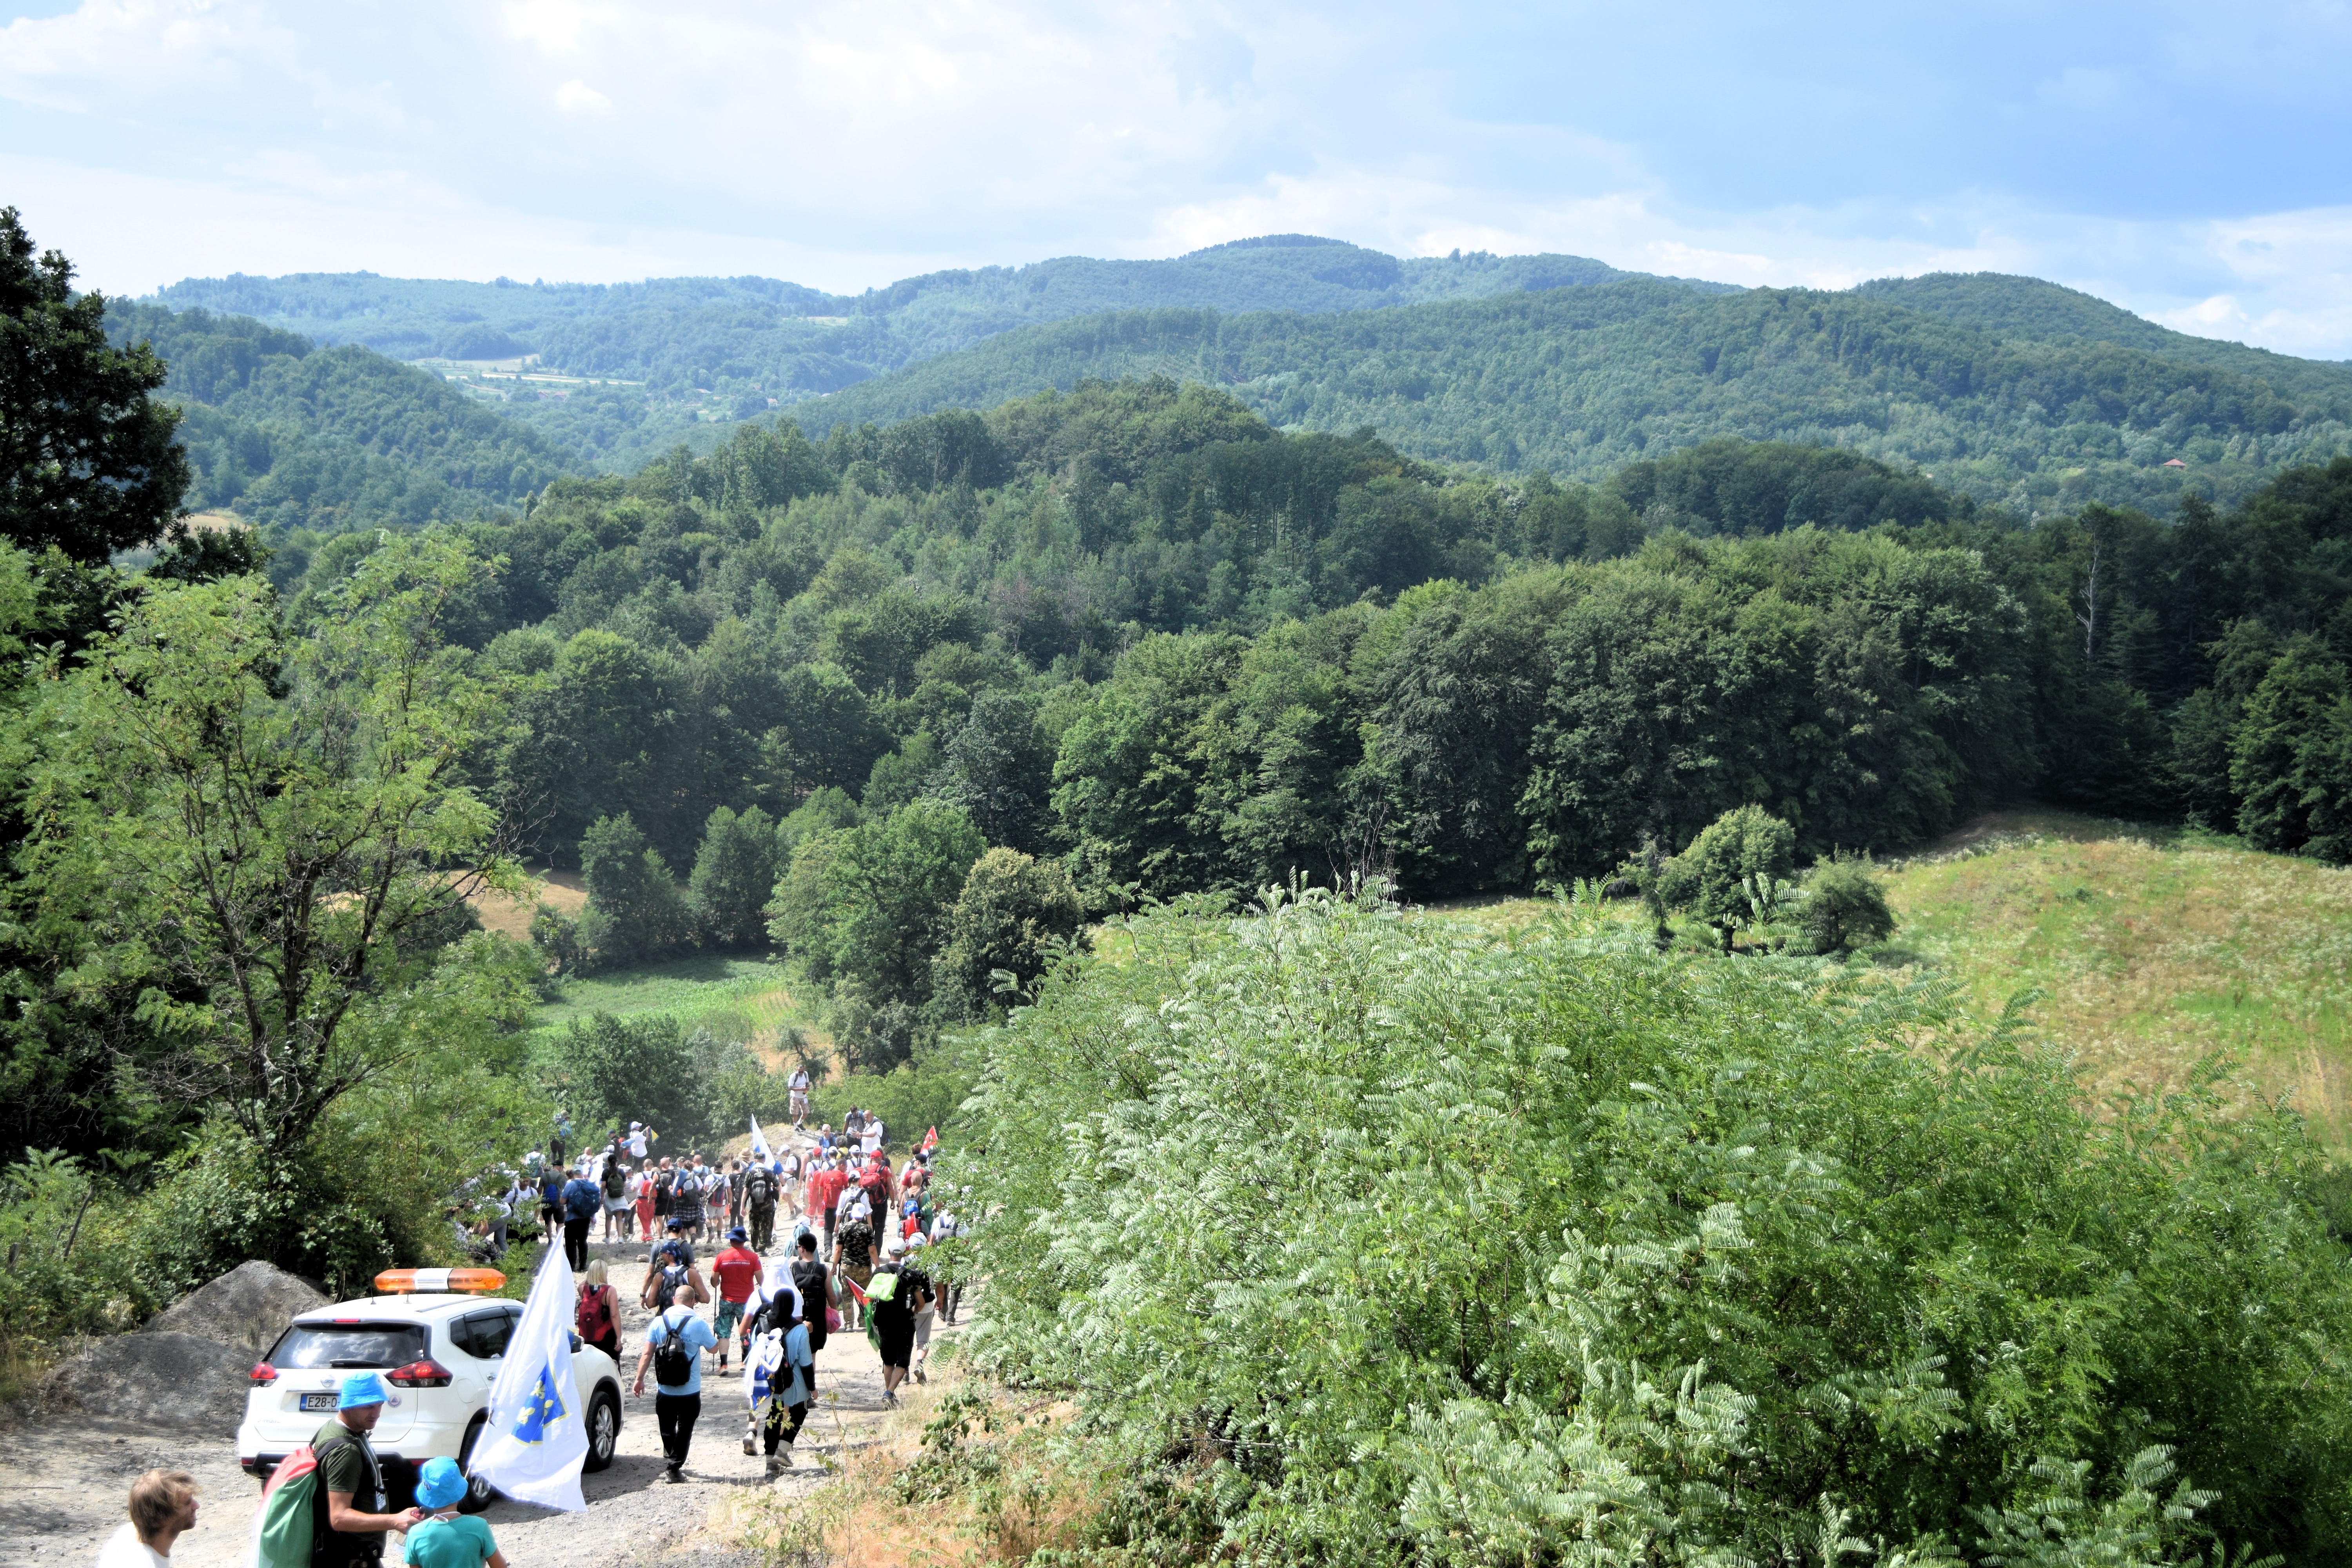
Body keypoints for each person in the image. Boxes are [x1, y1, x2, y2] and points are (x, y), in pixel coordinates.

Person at [314, 1372, 425, 1567]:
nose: (376, 1413)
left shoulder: (345, 1428)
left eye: (379, 1405)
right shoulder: (345, 1450)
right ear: (348, 1405)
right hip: (350, 1559)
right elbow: (339, 1518)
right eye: (368, 1407)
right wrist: (394, 1521)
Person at [634, 1281, 717, 1484]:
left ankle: (672, 1459)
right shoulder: (698, 1323)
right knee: (685, 1429)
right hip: (690, 1389)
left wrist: (639, 1379)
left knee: (667, 1427)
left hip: (665, 1388)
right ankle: (674, 1467)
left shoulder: (659, 1322)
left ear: (674, 1300)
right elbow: (714, 1349)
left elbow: (647, 1353)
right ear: (694, 1301)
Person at [739, 1285, 813, 1477]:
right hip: (793, 1380)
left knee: (772, 1418)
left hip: (767, 1379)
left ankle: (769, 1464)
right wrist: (812, 1388)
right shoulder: (800, 1329)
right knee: (800, 1409)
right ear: (792, 1306)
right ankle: (783, 1449)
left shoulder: (761, 1324)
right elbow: (806, 1364)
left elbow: (754, 1349)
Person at [400, 1459, 505, 1568]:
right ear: (460, 1490)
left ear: (427, 1495)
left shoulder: (415, 1533)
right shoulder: (480, 1527)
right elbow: (500, 1566)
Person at [866, 1234, 932, 1405]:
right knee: (902, 1363)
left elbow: (871, 1298)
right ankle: (889, 1393)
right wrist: (913, 1312)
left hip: (884, 1323)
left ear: (889, 1252)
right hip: (904, 1323)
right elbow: (921, 1302)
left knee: (888, 1361)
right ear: (904, 1253)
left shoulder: (879, 1272)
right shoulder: (910, 1275)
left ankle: (889, 1394)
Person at [98, 1469, 198, 1568]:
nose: (197, 1506)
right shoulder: (144, 1564)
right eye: (187, 1503)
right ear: (162, 1517)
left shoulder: (128, 1533)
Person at [710, 1226, 761, 1373]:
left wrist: (718, 1281)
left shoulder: (721, 1257)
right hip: (747, 1302)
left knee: (723, 1332)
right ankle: (744, 1362)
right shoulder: (753, 1258)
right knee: (746, 1331)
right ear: (744, 1241)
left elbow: (714, 1282)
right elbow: (761, 1280)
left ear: (732, 1240)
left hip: (727, 1300)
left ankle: (724, 1365)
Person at [831, 1196, 875, 1330]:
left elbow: (838, 1250)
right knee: (865, 1294)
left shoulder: (844, 1228)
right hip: (864, 1268)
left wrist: (834, 1267)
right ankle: (863, 1320)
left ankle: (849, 1324)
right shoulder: (867, 1230)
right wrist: (878, 1266)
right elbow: (872, 1251)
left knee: (847, 1295)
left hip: (847, 1267)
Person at [789, 1229, 832, 1359]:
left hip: (798, 1316)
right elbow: (831, 1296)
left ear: (802, 1249)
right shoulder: (824, 1269)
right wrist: (833, 1313)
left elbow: (790, 1293)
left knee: (797, 1352)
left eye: (797, 1247)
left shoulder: (793, 1268)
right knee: (812, 1353)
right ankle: (811, 1372)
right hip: (818, 1317)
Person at [576, 1258, 622, 1363]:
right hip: (606, 1336)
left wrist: (591, 1276)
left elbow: (580, 1285)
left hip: (587, 1335)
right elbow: (614, 1315)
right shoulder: (610, 1290)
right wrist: (619, 1337)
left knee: (590, 1364)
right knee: (611, 1365)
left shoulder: (583, 1289)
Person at [559, 1163, 600, 1272]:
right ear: (582, 1173)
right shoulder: (589, 1184)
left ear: (573, 1173)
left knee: (571, 1243)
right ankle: (583, 1265)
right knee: (583, 1241)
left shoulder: (570, 1185)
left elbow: (562, 1201)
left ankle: (571, 1266)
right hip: (585, 1218)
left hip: (572, 1218)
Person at [744, 1160, 779, 1252]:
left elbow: (745, 1191)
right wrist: (776, 1199)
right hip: (767, 1204)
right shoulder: (768, 1173)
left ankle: (754, 1247)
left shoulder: (750, 1173)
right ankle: (762, 1248)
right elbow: (778, 1185)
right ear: (764, 1160)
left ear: (756, 1161)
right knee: (765, 1226)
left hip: (754, 1205)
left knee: (754, 1226)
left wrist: (742, 1206)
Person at [599, 1151, 630, 1242]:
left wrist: (602, 1197)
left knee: (608, 1218)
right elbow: (625, 1184)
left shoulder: (606, 1172)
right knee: (619, 1219)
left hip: (609, 1197)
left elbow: (603, 1185)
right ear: (617, 1162)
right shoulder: (621, 1171)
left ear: (608, 1162)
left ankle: (608, 1238)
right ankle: (620, 1238)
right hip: (620, 1197)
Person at [630, 1161, 657, 1249]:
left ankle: (649, 1236)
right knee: (649, 1217)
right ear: (652, 1165)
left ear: (644, 1165)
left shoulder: (639, 1175)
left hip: (642, 1200)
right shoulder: (656, 1174)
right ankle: (644, 1235)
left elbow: (634, 1189)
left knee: (643, 1218)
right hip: (652, 1200)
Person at [788, 1064, 811, 1129]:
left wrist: (807, 1088)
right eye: (799, 1072)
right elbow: (790, 1088)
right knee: (795, 1113)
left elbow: (807, 1083)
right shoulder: (793, 1076)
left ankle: (799, 1123)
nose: (801, 1073)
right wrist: (801, 1089)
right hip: (795, 1096)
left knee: (806, 1112)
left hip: (803, 1096)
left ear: (804, 1070)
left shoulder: (806, 1074)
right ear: (797, 1070)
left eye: (802, 1072)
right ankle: (796, 1128)